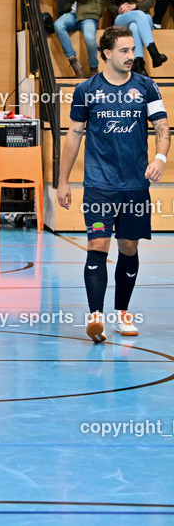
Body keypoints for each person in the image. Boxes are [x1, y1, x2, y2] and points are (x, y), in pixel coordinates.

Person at [57, 25, 169, 343]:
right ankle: (95, 316)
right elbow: (74, 136)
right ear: (106, 53)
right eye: (124, 50)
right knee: (97, 244)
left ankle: (121, 312)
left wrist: (159, 158)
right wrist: (63, 181)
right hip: (98, 185)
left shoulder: (147, 87)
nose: (131, 55)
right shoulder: (86, 90)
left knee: (128, 247)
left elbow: (162, 127)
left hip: (135, 185)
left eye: (133, 50)